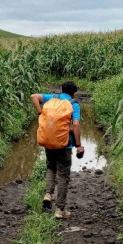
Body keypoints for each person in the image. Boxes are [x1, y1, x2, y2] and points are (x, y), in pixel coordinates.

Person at [30, 81, 84, 219]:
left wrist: (40, 113)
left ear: (62, 90)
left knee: (51, 167)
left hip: (48, 142)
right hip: (64, 145)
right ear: (74, 93)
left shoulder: (52, 98)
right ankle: (59, 210)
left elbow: (33, 97)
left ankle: (48, 194)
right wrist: (78, 145)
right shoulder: (74, 104)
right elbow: (76, 125)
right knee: (63, 176)